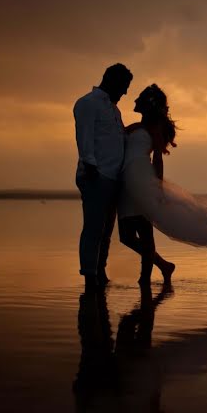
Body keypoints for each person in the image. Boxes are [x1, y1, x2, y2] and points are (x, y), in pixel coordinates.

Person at [117, 84, 207, 282]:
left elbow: (158, 158)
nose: (134, 100)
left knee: (143, 231)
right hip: (126, 181)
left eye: (139, 98)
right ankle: (164, 266)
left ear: (148, 104)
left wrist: (158, 187)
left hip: (142, 180)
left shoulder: (154, 128)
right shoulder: (135, 127)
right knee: (125, 236)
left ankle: (145, 280)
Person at [73, 63, 133, 288]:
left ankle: (100, 272)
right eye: (124, 86)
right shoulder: (87, 104)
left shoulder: (114, 110)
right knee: (93, 227)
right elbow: (84, 139)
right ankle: (89, 275)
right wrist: (91, 170)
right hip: (96, 175)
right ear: (112, 81)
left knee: (106, 230)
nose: (126, 92)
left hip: (113, 177)